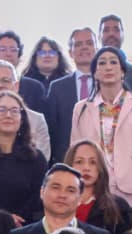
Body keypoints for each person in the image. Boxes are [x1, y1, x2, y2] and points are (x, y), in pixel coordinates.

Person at [71, 47, 132, 206]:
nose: (108, 67)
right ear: (95, 73)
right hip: (94, 186)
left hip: (131, 186)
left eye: (113, 62)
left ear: (123, 71)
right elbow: (75, 152)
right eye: (102, 63)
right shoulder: (81, 108)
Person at [0, 91, 48, 225]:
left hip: (24, 226)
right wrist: (3, 218)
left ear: (22, 119)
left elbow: (38, 197)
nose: (8, 115)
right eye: (2, 110)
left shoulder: (36, 158)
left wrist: (15, 220)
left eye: (14, 111)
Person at [46, 27, 98, 164]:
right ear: (70, 52)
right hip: (67, 160)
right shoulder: (57, 88)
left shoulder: (107, 84)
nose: (84, 48)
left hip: (102, 161)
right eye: (78, 44)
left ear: (97, 48)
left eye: (89, 43)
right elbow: (52, 131)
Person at [66, 139, 132, 234]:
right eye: (79, 162)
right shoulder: (58, 203)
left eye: (93, 162)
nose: (86, 168)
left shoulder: (119, 207)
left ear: (100, 167)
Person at [0, 31, 47, 112]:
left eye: (13, 50)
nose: (8, 54)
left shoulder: (35, 88)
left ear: (19, 56)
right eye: (3, 49)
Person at [97, 14, 132, 90]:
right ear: (99, 36)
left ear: (123, 35)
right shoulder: (90, 71)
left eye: (116, 30)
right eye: (106, 30)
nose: (111, 34)